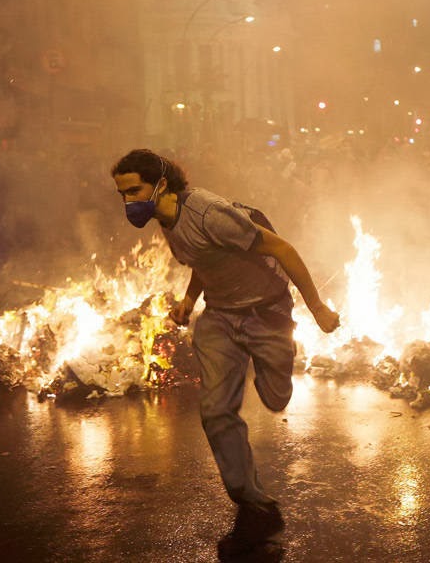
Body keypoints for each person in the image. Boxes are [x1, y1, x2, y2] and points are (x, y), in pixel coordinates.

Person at [111, 149, 339, 553]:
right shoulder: (165, 219)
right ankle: (254, 504)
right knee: (216, 411)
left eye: (134, 190)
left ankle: (283, 352)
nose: (129, 201)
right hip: (219, 318)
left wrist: (316, 307)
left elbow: (282, 250)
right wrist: (188, 300)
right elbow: (205, 257)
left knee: (275, 397)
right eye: (122, 194)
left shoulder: (211, 213)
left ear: (160, 184)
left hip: (266, 313)